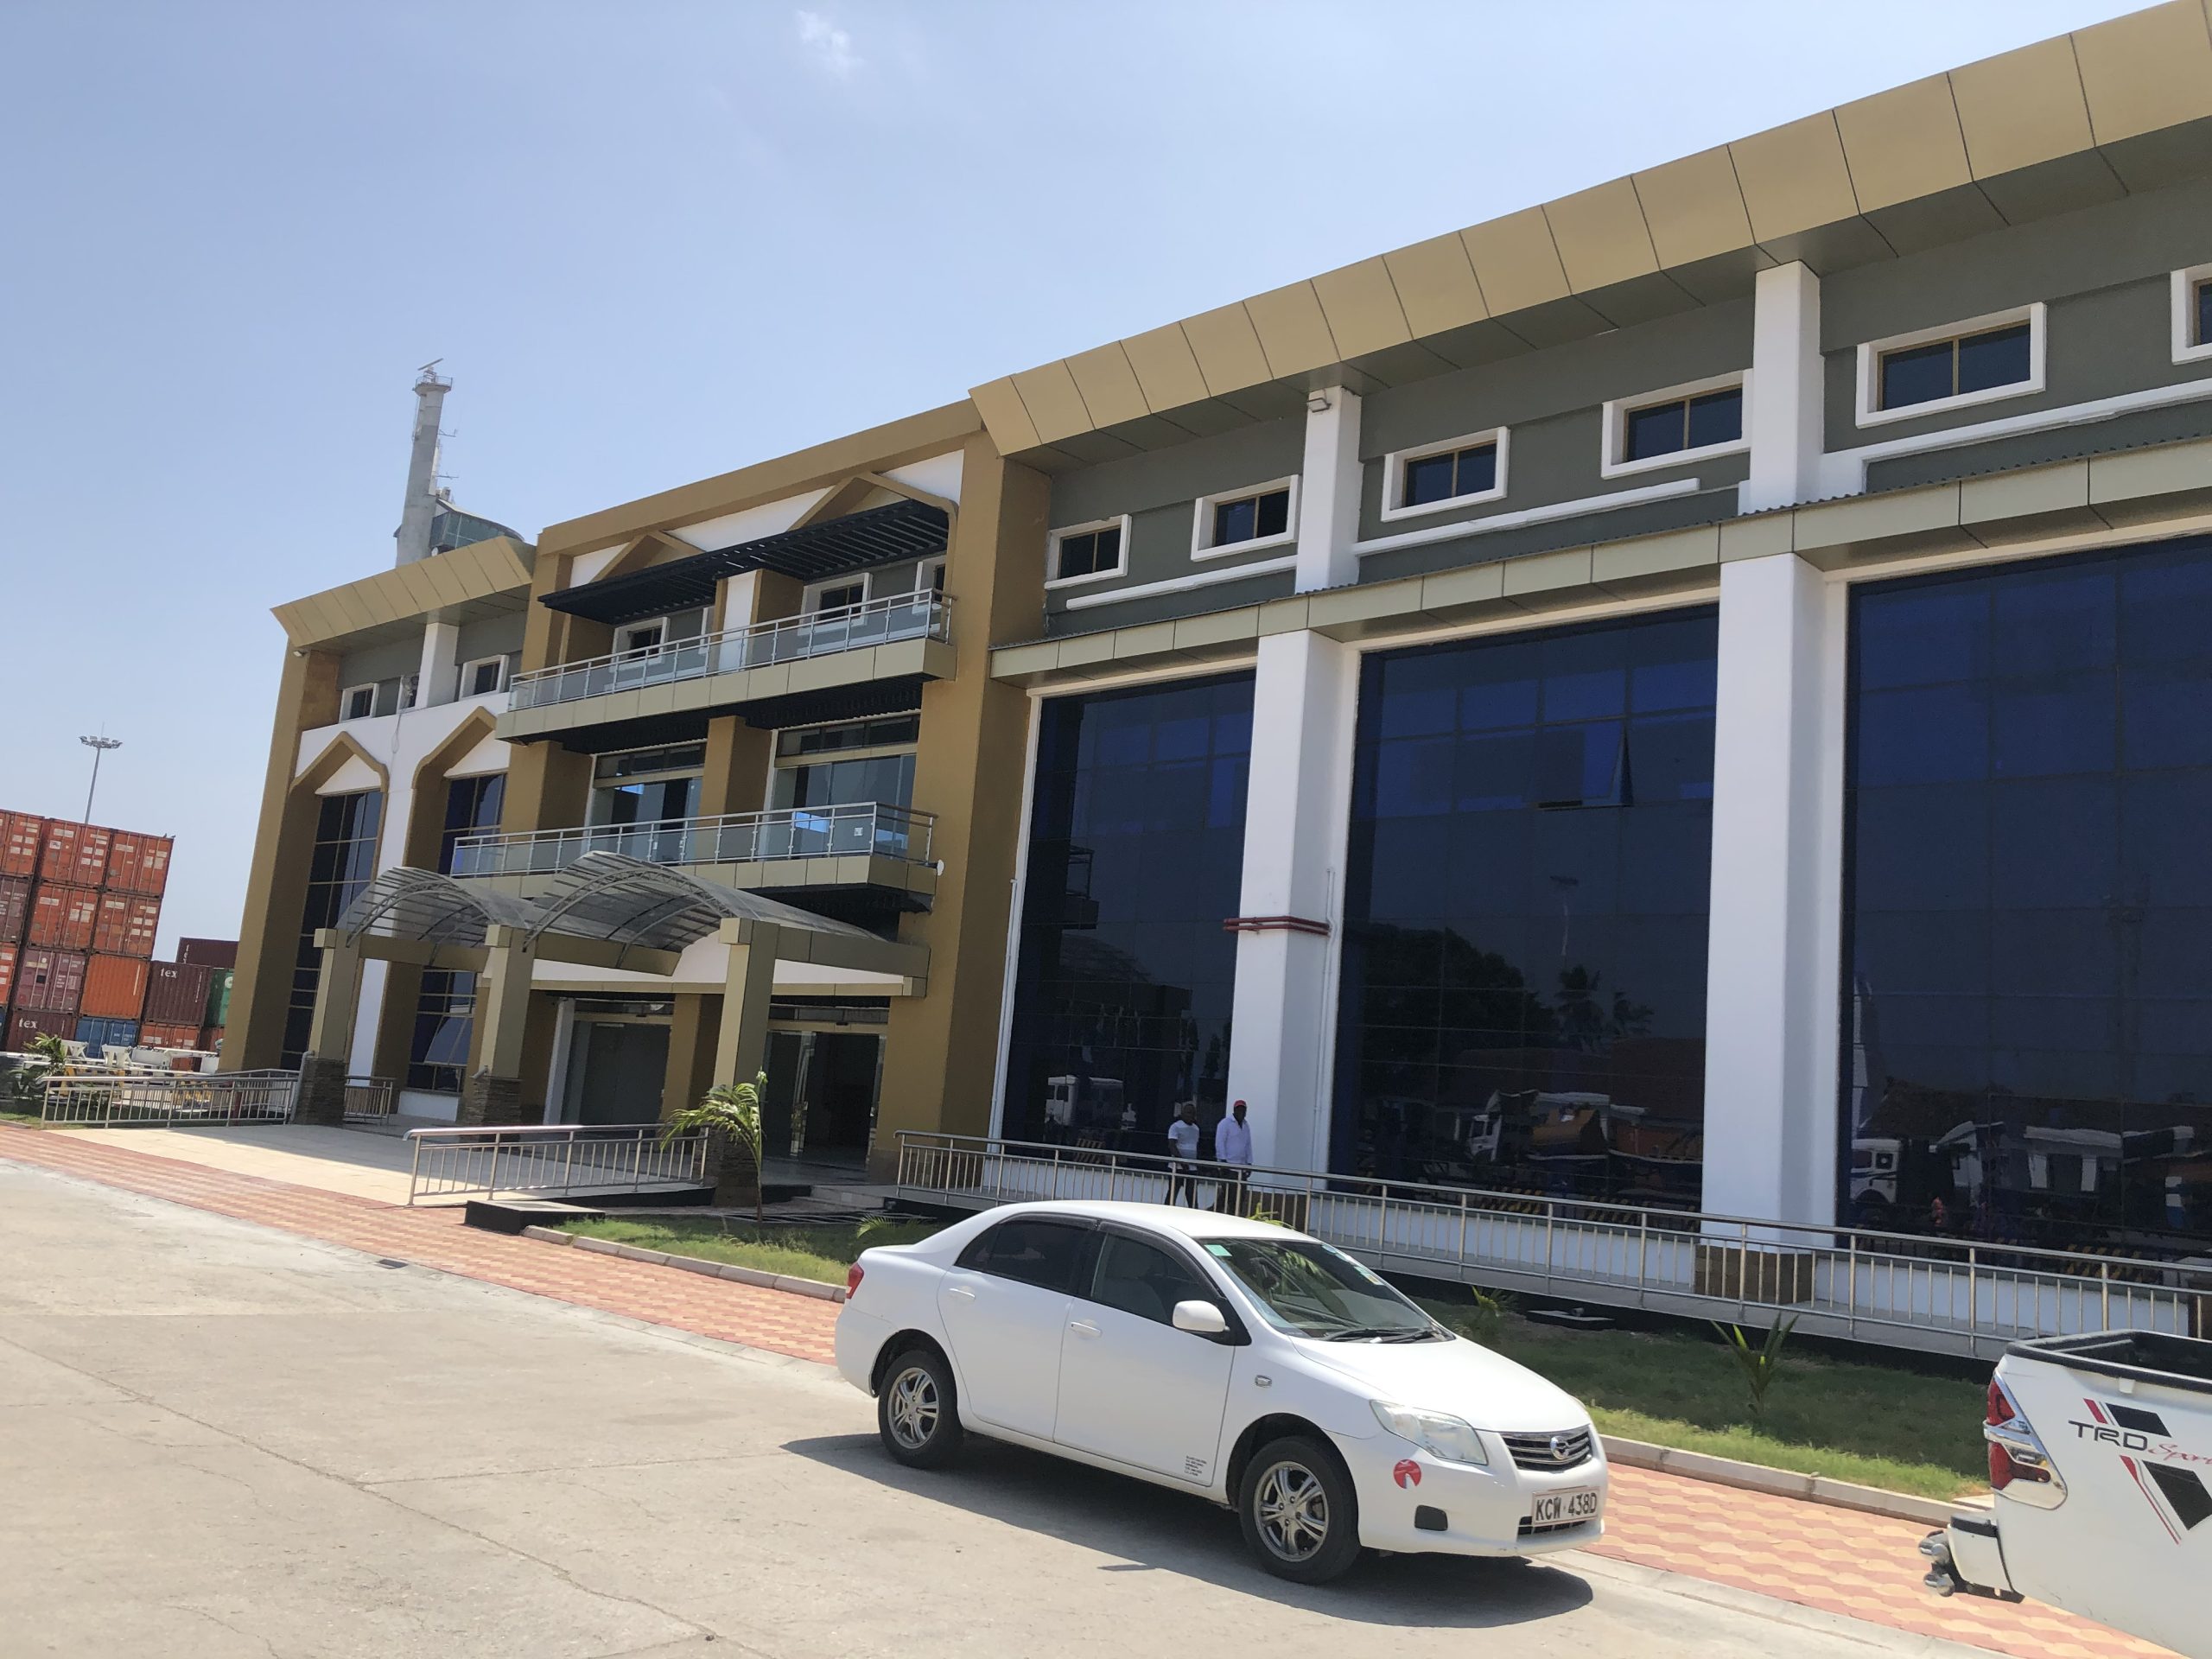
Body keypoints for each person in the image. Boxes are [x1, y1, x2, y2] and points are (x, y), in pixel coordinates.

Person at [1213, 1098, 1254, 1217]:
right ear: (1234, 1110)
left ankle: (1234, 1215)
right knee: (1229, 1195)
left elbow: (1248, 1145)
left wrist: (1249, 1163)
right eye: (1239, 1109)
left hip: (1241, 1168)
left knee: (1240, 1196)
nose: (1241, 1112)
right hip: (1229, 1166)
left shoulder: (1246, 1125)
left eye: (1243, 1110)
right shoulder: (1225, 1123)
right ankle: (1222, 1213)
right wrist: (1223, 1162)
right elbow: (1220, 1143)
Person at [1166, 1102, 1203, 1206]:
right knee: (1172, 1196)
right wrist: (1182, 1162)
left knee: (1192, 1199)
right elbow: (1172, 1146)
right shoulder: (1175, 1126)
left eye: (1193, 1113)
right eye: (1189, 1113)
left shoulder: (1196, 1128)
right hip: (1177, 1168)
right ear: (1182, 1114)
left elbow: (1196, 1146)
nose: (1191, 1116)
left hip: (1192, 1169)